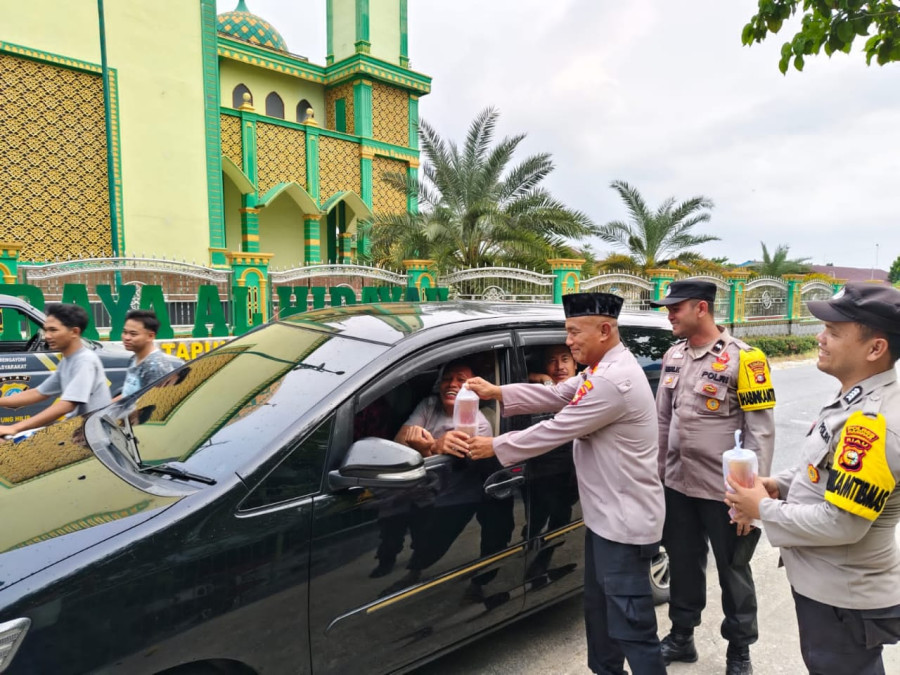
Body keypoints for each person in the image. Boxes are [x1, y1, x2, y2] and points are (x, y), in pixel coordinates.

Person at [465, 292, 666, 675]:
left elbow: (557, 428)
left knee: (631, 626)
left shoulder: (614, 381)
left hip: (625, 526)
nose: (569, 342)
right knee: (601, 614)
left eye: (574, 333)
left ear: (605, 330)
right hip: (606, 520)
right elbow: (557, 394)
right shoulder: (600, 370)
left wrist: (494, 445)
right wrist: (498, 392)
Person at [726, 282, 900, 675]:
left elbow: (844, 523)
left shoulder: (872, 422)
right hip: (830, 587)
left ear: (875, 349)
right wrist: (780, 484)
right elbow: (822, 469)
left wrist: (763, 509)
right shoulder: (852, 398)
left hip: (844, 597)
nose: (819, 339)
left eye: (834, 333)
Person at [651, 279, 775, 675]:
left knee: (733, 570)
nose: (668, 314)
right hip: (678, 484)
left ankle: (739, 649)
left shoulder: (746, 359)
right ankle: (682, 636)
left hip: (726, 492)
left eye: (676, 307)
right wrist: (656, 478)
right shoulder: (673, 356)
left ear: (701, 308)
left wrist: (751, 500)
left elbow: (761, 432)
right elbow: (661, 421)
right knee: (684, 564)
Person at [0, 303, 111, 436]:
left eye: (53, 330)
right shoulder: (67, 361)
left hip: (93, 439)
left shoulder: (84, 361)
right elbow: (39, 393)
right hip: (78, 433)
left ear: (74, 332)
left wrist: (16, 428)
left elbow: (67, 405)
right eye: (46, 330)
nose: (47, 336)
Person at [394, 359, 493, 457]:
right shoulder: (429, 405)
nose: (452, 384)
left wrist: (427, 448)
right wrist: (435, 445)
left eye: (461, 380)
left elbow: (462, 469)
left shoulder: (479, 426)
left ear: (474, 389)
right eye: (447, 378)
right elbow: (399, 441)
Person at [119, 309, 183, 398]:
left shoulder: (155, 367)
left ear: (150, 336)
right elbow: (126, 396)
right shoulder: (134, 358)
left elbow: (156, 405)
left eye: (133, 334)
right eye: (125, 332)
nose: (126, 337)